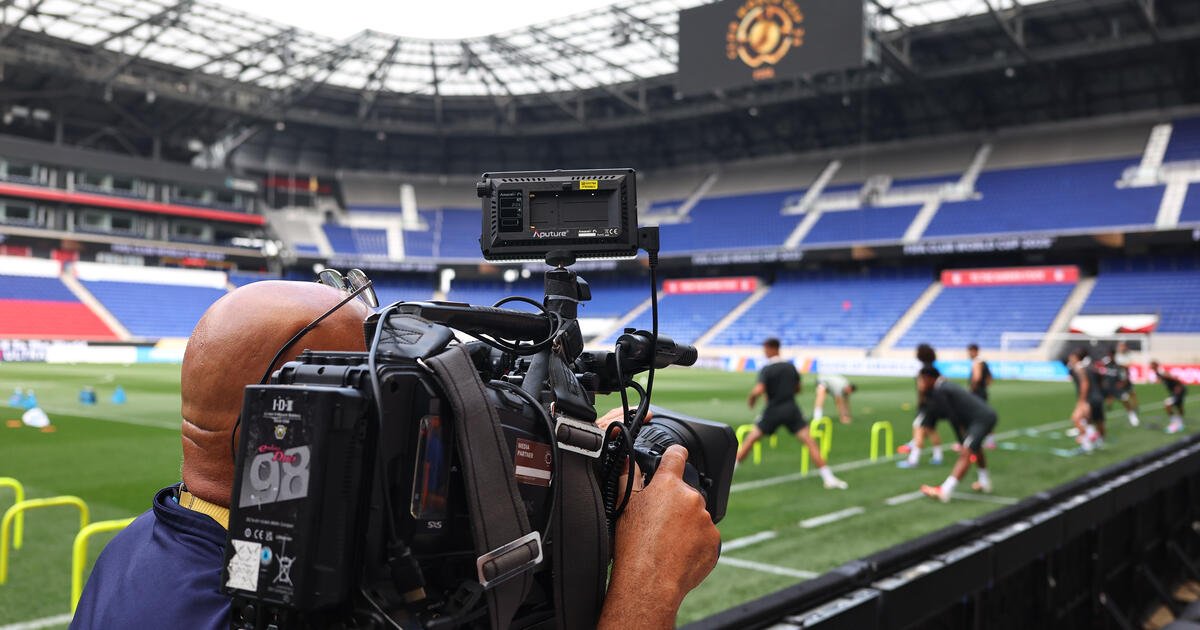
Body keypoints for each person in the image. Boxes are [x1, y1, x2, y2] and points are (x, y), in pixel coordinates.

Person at [72, 281, 720, 630]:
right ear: (284, 428)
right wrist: (647, 587)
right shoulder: (257, 611)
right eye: (388, 395)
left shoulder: (143, 546)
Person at [736, 338, 847, 489]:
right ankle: (828, 478)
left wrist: (752, 398)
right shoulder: (790, 367)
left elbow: (759, 390)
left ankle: (728, 472)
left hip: (773, 410)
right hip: (791, 409)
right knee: (810, 442)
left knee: (750, 441)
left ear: (771, 349)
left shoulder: (767, 369)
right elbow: (799, 389)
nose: (764, 352)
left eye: (765, 349)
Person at [916, 366, 998, 502]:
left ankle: (945, 490)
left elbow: (952, 417)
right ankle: (984, 482)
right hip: (980, 417)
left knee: (966, 451)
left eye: (921, 380)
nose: (920, 383)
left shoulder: (941, 390)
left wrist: (962, 441)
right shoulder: (944, 386)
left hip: (982, 418)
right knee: (975, 448)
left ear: (928, 378)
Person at [897, 343, 946, 468]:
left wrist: (921, 401)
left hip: (927, 404)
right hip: (936, 403)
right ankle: (938, 456)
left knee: (918, 429)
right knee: (931, 430)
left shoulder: (924, 370)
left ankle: (913, 459)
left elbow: (922, 387)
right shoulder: (935, 369)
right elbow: (943, 382)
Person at [1067, 348, 1103, 452]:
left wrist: (1082, 401)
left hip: (1088, 399)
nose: (1070, 358)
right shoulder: (1086, 368)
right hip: (1094, 397)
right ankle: (1091, 439)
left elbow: (1085, 384)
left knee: (1076, 418)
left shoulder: (1080, 369)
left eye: (1072, 357)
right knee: (1088, 420)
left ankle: (1088, 441)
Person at [1106, 343, 1141, 427]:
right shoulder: (1106, 364)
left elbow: (1126, 371)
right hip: (1110, 386)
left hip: (1119, 384)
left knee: (1126, 398)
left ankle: (1132, 414)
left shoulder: (1119, 365)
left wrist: (1123, 382)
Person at [1149, 360, 1187, 434]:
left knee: (1167, 404)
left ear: (1156, 365)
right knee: (1179, 406)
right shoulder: (1158, 373)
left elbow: (1175, 378)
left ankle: (1174, 424)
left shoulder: (1162, 373)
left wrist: (1178, 387)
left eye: (1152, 365)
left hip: (1179, 391)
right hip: (1176, 391)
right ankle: (1180, 424)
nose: (1150, 367)